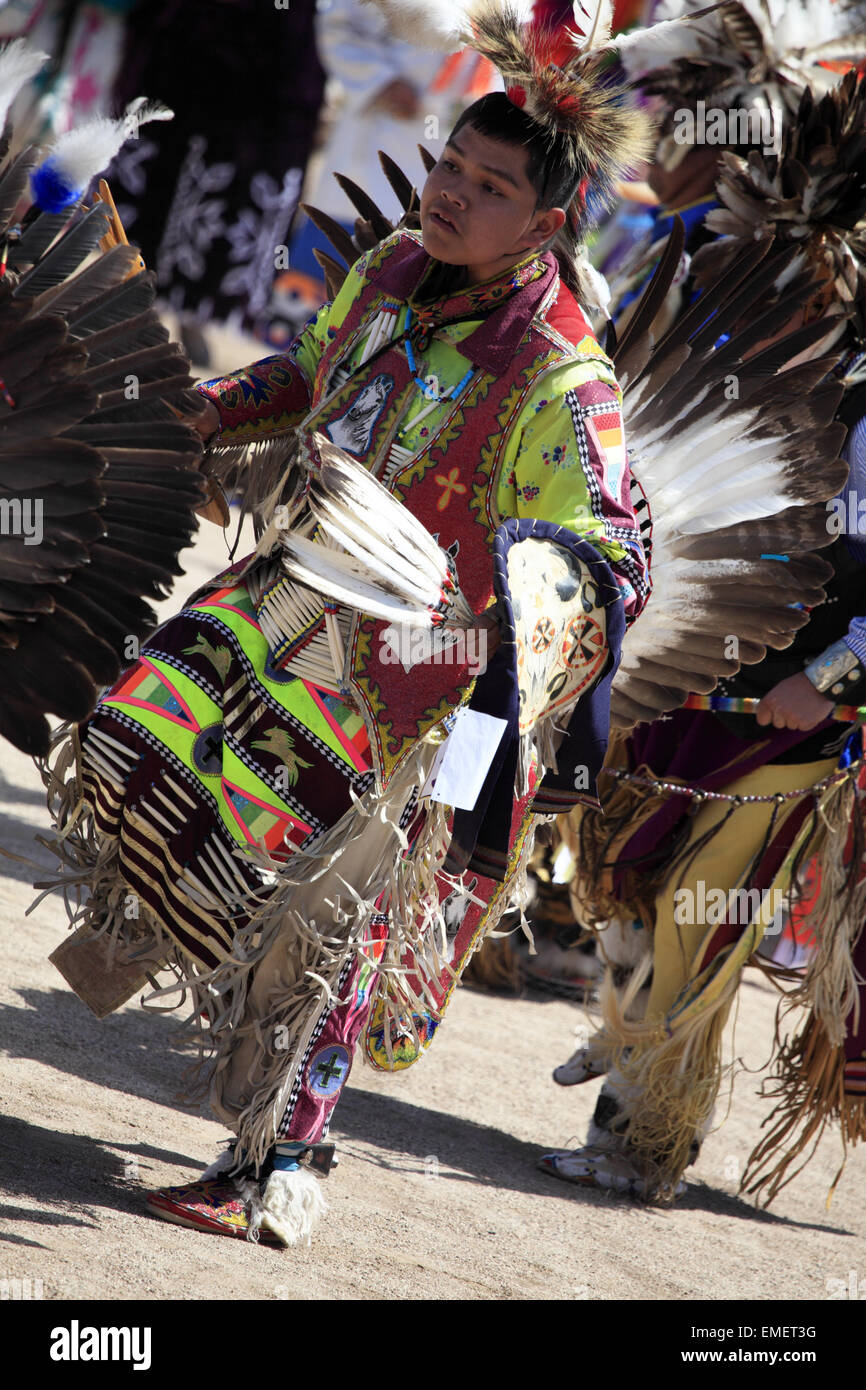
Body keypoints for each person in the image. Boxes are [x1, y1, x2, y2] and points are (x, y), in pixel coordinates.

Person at [45, 4, 653, 1247]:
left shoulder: (558, 373)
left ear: (542, 226)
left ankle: (282, 1162)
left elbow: (612, 554)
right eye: (447, 166)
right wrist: (205, 411)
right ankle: (154, 940)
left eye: (488, 188)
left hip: (433, 683)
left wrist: (522, 591)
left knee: (331, 919)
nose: (448, 195)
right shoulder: (389, 267)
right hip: (298, 603)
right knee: (130, 740)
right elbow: (310, 375)